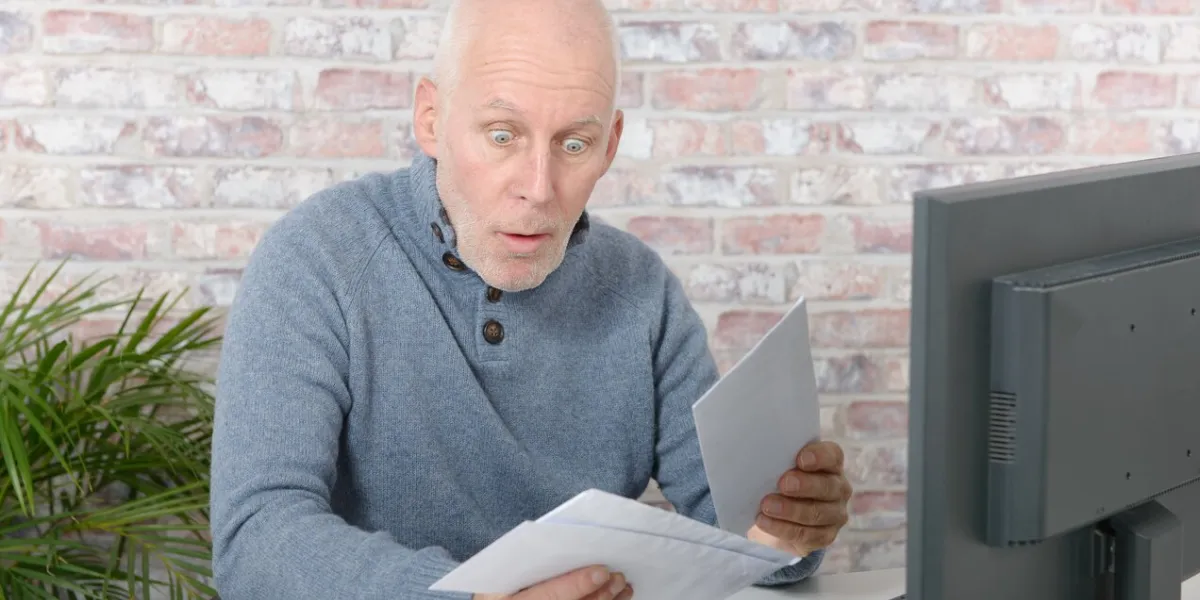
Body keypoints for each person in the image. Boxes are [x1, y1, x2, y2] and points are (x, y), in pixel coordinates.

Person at [208, 0, 853, 597]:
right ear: (431, 120)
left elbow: (736, 537)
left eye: (574, 144)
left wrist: (788, 532)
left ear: (611, 145)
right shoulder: (318, 258)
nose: (539, 190)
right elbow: (257, 541)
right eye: (501, 134)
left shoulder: (641, 290)